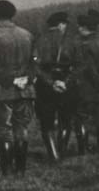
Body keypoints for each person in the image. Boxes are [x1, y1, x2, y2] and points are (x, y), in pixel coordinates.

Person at [0, 0, 35, 175]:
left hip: (2, 92)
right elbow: (34, 62)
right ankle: (20, 170)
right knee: (21, 129)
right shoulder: (27, 35)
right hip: (25, 90)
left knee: (4, 130)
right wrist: (26, 79)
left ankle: (7, 171)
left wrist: (11, 80)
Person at [32, 11, 76, 161]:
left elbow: (35, 67)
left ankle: (53, 156)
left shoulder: (38, 41)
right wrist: (65, 82)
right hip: (66, 84)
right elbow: (78, 65)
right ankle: (62, 152)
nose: (65, 27)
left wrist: (51, 82)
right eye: (65, 24)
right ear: (60, 25)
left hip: (45, 86)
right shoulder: (71, 41)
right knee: (66, 120)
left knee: (47, 123)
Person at [73, 13, 99, 154]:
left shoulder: (83, 47)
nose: (78, 28)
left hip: (87, 87)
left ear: (85, 28)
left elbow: (89, 70)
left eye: (80, 26)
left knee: (81, 118)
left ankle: (83, 150)